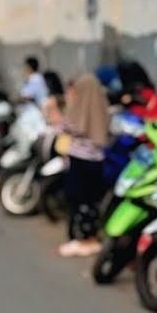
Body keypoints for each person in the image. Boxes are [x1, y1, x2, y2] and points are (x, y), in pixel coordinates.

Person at [57, 73, 111, 258]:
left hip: (79, 160)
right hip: (96, 160)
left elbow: (64, 126)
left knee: (78, 200)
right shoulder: (102, 108)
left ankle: (83, 240)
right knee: (91, 201)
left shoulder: (78, 110)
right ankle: (89, 238)